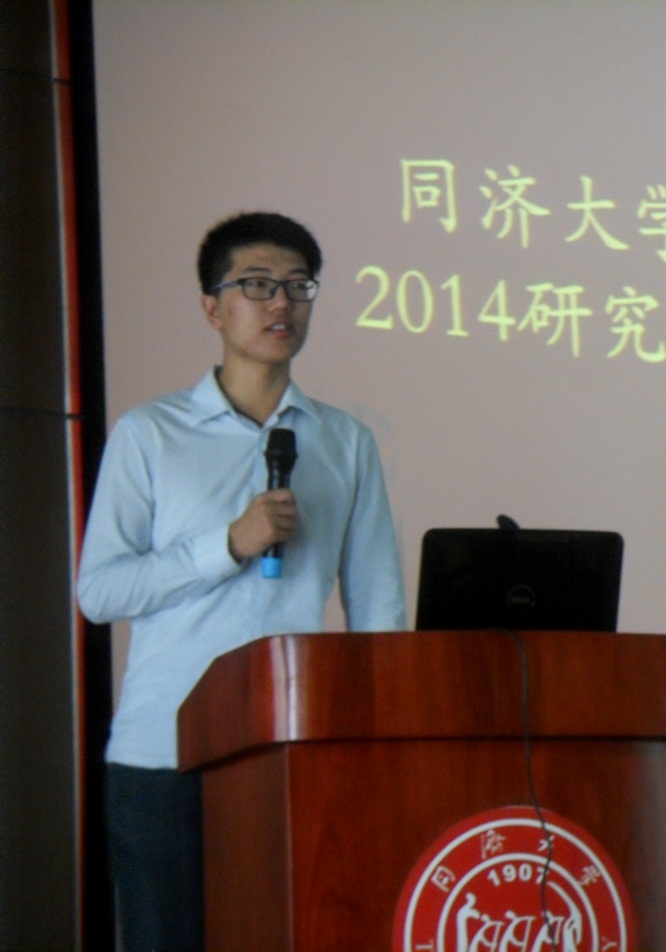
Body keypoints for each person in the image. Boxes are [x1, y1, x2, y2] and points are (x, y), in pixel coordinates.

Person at [77, 211, 407, 951]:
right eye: (257, 284)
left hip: (292, 746)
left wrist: (373, 740)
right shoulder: (150, 433)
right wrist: (227, 544)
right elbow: (100, 593)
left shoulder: (344, 440)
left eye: (298, 286)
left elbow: (378, 603)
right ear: (213, 308)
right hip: (165, 751)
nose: (281, 302)